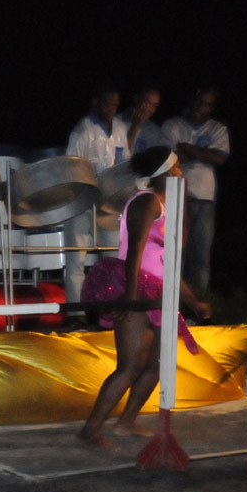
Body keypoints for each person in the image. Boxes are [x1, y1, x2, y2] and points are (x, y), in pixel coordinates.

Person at [78, 147, 211, 451]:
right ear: (163, 172)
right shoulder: (146, 202)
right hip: (136, 289)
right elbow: (135, 251)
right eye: (176, 167)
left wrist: (193, 301)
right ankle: (90, 430)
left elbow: (166, 263)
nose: (181, 171)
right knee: (130, 365)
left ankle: (126, 422)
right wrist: (130, 294)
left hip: (158, 291)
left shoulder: (168, 204)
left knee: (158, 363)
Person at [64, 86, 130, 326]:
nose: (111, 108)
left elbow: (127, 165)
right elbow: (71, 166)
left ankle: (111, 313)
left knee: (113, 259)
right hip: (82, 201)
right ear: (96, 102)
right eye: (107, 103)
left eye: (115, 104)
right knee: (76, 259)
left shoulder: (121, 129)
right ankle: (75, 314)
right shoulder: (83, 130)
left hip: (111, 203)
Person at [161, 87, 229, 293]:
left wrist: (189, 149)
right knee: (176, 254)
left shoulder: (218, 129)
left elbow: (220, 158)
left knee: (201, 256)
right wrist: (203, 153)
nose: (202, 108)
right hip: (175, 196)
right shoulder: (172, 126)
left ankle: (198, 307)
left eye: (208, 104)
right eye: (200, 102)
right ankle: (175, 306)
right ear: (192, 101)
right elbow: (169, 160)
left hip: (205, 198)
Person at [122, 85, 166, 154]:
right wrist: (135, 126)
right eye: (147, 102)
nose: (150, 109)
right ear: (136, 99)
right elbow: (120, 153)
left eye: (154, 106)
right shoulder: (117, 121)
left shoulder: (154, 131)